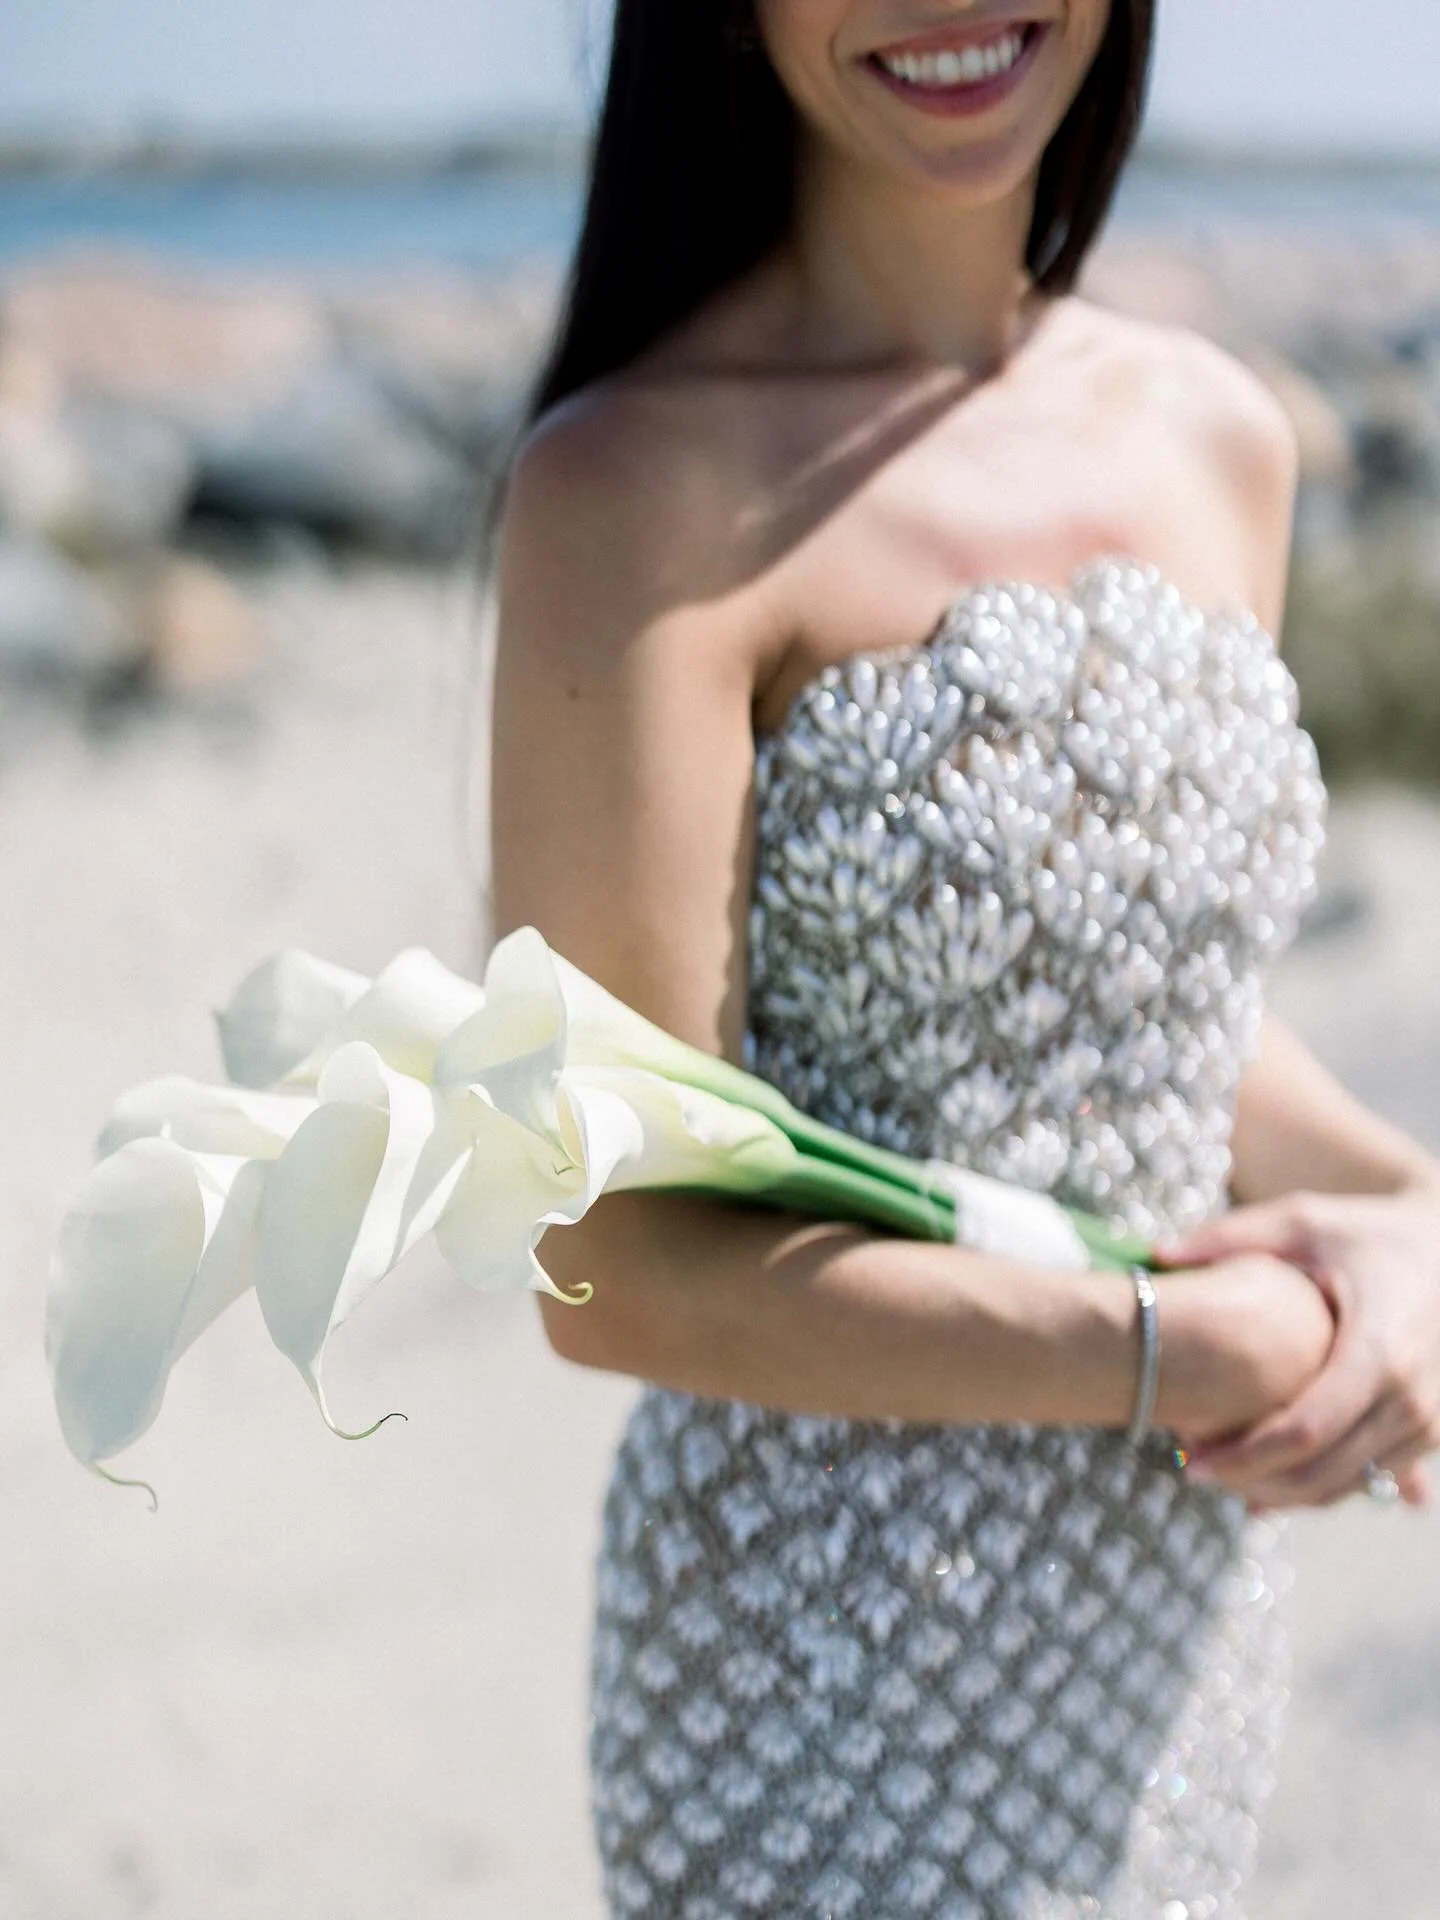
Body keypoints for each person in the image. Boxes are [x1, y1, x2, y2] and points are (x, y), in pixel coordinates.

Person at [488, 3, 1440, 1913]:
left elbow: (1139, 1022)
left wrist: (1414, 1221)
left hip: (1163, 1633)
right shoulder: (633, 497)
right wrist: (1174, 1350)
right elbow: (606, 1261)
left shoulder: (1222, 438)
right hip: (818, 1678)